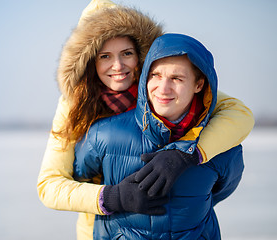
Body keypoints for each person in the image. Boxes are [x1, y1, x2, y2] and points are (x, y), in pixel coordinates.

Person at [37, 0, 254, 239]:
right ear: (90, 60)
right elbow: (50, 185)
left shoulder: (162, 86)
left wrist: (188, 154)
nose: (117, 66)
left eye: (127, 53)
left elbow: (238, 114)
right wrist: (113, 196)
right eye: (105, 56)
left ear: (140, 55)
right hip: (105, 225)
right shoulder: (75, 104)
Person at [73, 33, 245, 239]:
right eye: (155, 75)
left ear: (199, 85)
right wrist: (115, 197)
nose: (163, 89)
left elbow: (222, 189)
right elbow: (79, 175)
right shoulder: (105, 134)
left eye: (176, 78)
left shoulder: (221, 143)